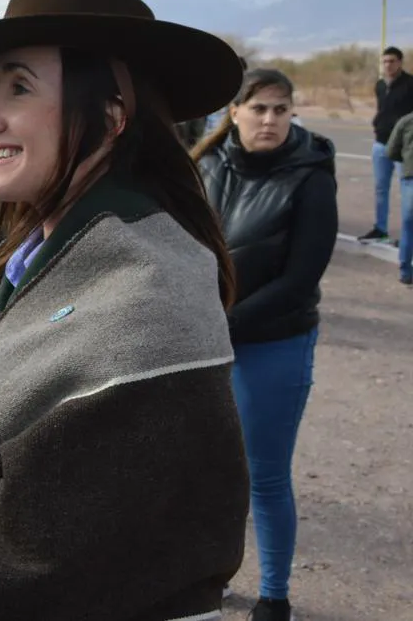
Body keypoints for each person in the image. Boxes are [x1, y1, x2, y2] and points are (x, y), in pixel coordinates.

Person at [0, 0, 249, 621]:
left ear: (112, 116)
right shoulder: (34, 252)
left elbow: (47, 558)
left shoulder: (148, 294)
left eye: (19, 87)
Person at [192, 68, 337, 621]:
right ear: (234, 113)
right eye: (259, 109)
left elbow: (300, 280)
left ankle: (274, 596)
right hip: (206, 341)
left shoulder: (311, 175)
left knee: (265, 473)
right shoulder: (207, 165)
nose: (270, 120)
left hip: (275, 341)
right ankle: (210, 578)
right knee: (209, 468)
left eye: (280, 109)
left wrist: (222, 325)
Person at [360, 46, 413, 242]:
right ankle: (380, 229)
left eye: (391, 61)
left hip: (403, 148)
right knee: (381, 188)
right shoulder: (380, 85)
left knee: (408, 190)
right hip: (381, 143)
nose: (388, 65)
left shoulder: (410, 84)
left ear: (400, 62)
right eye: (384, 61)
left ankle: (409, 237)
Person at [388, 109, 413, 285]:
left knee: (408, 226)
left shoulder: (405, 121)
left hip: (410, 176)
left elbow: (391, 151)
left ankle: (405, 271)